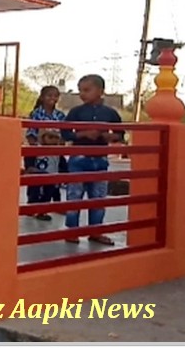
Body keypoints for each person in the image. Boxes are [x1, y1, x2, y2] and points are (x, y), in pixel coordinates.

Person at [60, 74, 125, 245]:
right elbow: (65, 133)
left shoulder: (110, 113)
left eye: (87, 90)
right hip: (78, 159)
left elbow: (120, 134)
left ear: (100, 91)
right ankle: (72, 231)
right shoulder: (76, 112)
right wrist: (83, 133)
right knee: (75, 196)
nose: (82, 94)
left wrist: (107, 136)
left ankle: (95, 231)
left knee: (98, 197)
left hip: (100, 159)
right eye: (80, 90)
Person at [24, 86, 67, 218]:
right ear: (42, 97)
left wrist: (59, 144)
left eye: (55, 96)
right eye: (49, 95)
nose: (52, 98)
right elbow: (31, 133)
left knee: (54, 180)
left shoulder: (60, 115)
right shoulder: (36, 113)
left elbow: (64, 133)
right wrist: (36, 149)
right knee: (36, 180)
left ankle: (50, 206)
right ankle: (32, 206)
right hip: (38, 151)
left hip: (54, 152)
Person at [23, 128, 68, 221]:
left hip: (52, 178)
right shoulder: (36, 149)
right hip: (37, 178)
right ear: (43, 138)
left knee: (49, 194)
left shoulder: (58, 152)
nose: (53, 140)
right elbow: (29, 161)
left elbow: (63, 164)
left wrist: (64, 173)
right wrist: (30, 168)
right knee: (34, 194)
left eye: (56, 138)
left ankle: (42, 211)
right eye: (50, 137)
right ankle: (30, 209)